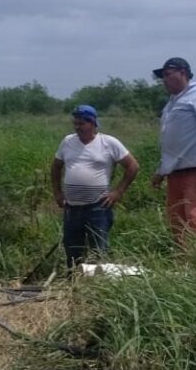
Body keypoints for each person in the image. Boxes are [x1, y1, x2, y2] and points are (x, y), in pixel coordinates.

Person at [51, 105, 139, 268]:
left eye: (81, 124)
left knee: (98, 250)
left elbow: (132, 166)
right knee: (72, 249)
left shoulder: (108, 143)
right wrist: (57, 192)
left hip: (98, 207)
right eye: (75, 124)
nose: (77, 128)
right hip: (72, 208)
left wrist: (118, 192)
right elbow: (56, 166)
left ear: (92, 123)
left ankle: (96, 286)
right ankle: (73, 283)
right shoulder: (68, 142)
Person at [150, 57, 196, 245]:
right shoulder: (172, 103)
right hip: (174, 172)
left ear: (183, 73)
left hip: (195, 170)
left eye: (167, 75)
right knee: (176, 218)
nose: (164, 80)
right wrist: (161, 171)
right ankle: (184, 264)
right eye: (163, 77)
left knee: (193, 216)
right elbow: (173, 142)